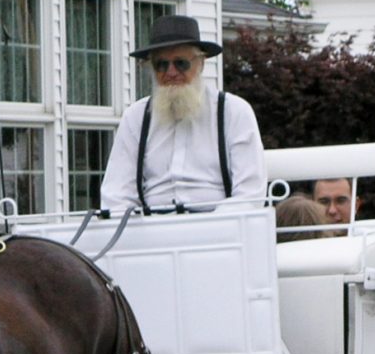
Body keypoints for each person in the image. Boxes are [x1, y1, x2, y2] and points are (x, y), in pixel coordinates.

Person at [99, 15, 267, 213]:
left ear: (201, 63)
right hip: (150, 232)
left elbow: (250, 194)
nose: (171, 72)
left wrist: (209, 227)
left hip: (219, 231)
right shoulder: (135, 118)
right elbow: (116, 196)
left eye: (181, 63)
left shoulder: (234, 112)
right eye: (161, 65)